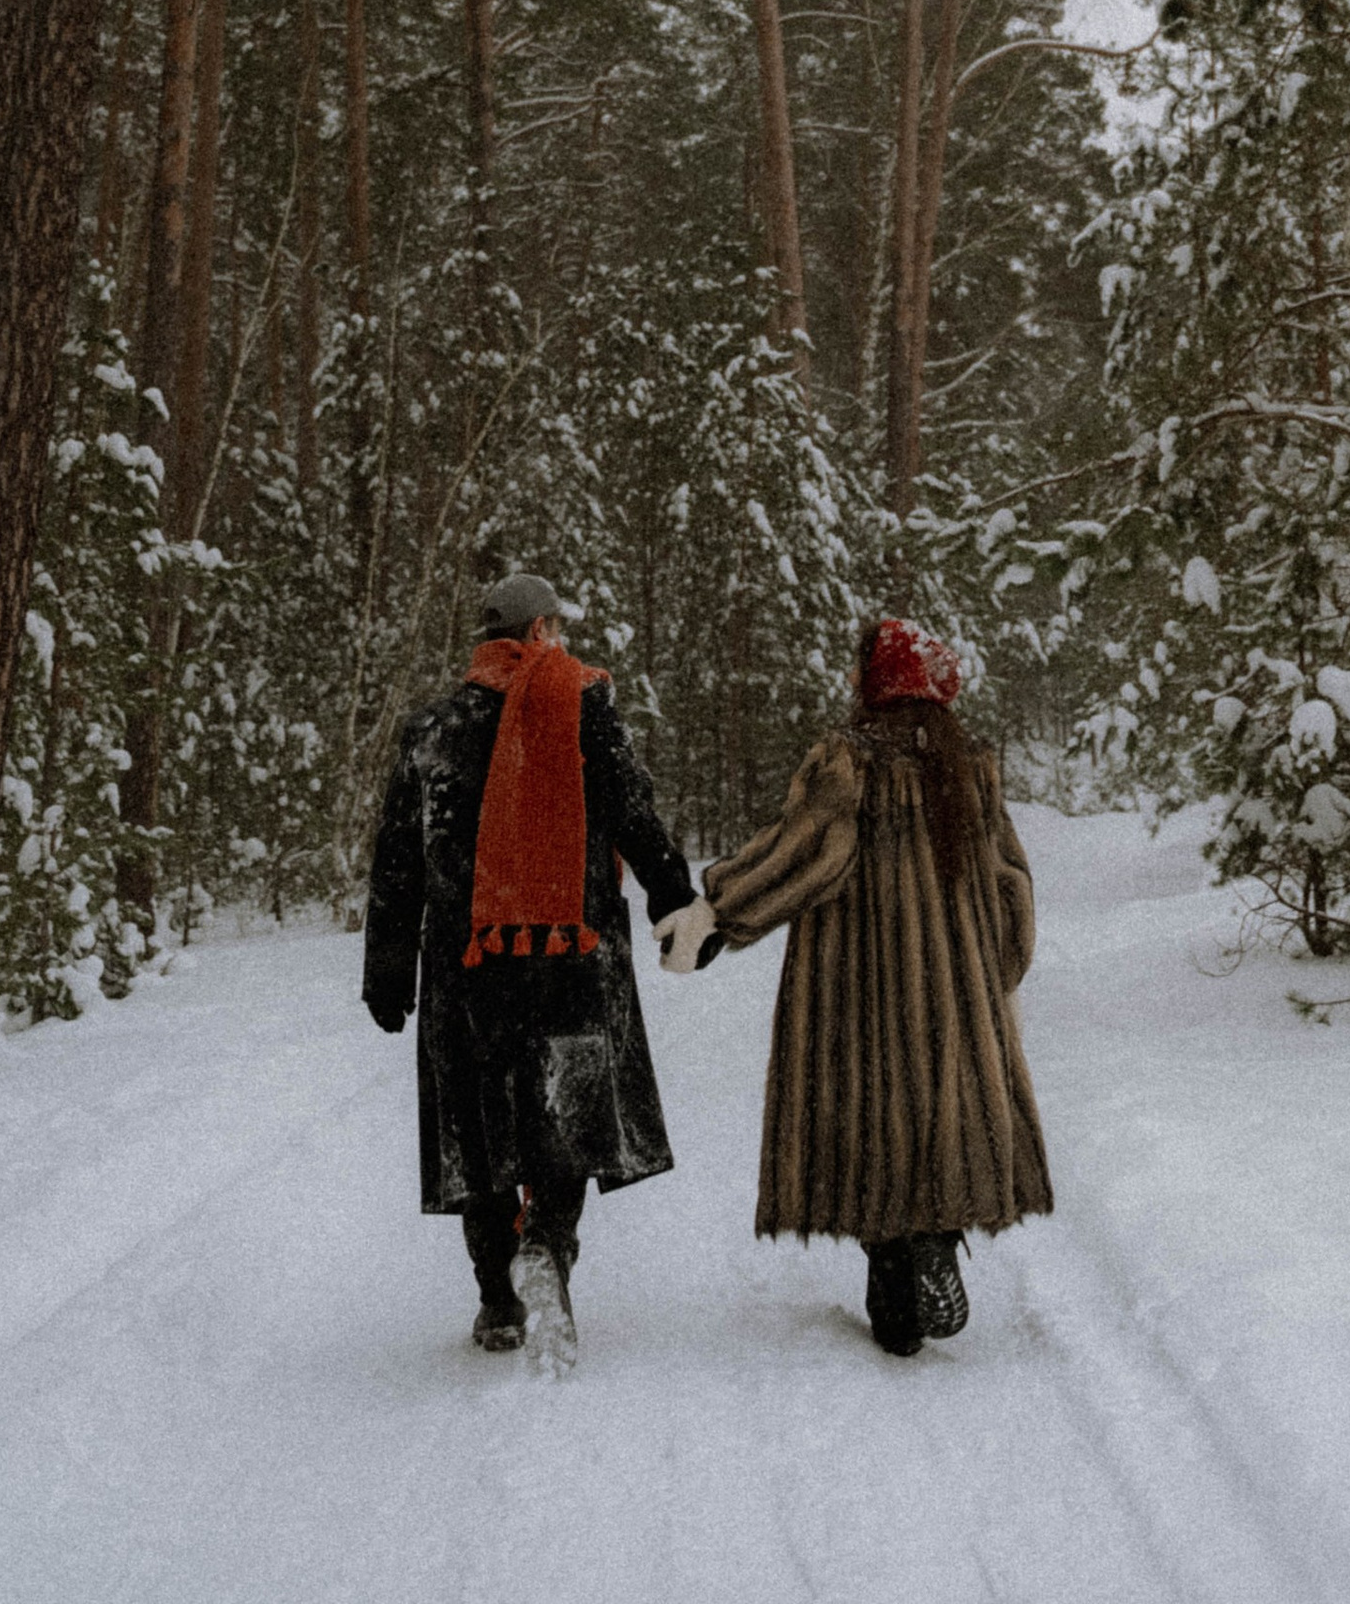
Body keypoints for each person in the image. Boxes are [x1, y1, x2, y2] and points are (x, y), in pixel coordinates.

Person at [657, 615, 1052, 1355]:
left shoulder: (851, 762)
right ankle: (936, 1238)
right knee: (938, 1122)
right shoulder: (969, 766)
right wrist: (996, 973)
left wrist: (718, 911)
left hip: (859, 991)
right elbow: (1013, 884)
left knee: (868, 1128)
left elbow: (804, 855)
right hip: (955, 994)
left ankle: (897, 1298)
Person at [363, 570, 698, 1369]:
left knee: (477, 1127)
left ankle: (497, 1301)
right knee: (565, 1116)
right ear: (541, 630)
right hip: (571, 955)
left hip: (465, 963)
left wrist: (386, 968)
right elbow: (632, 809)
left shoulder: (431, 729)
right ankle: (547, 1243)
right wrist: (672, 898)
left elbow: (397, 861)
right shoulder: (581, 707)